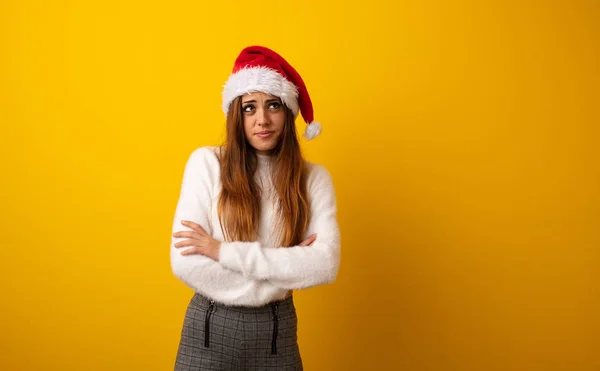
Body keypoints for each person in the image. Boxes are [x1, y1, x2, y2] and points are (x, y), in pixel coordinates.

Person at [170, 45, 341, 371]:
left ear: (288, 111)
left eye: (273, 105)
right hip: (207, 329)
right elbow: (185, 264)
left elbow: (325, 264)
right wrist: (286, 269)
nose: (262, 119)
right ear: (237, 114)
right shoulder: (206, 164)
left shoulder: (313, 179)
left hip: (277, 333)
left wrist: (221, 252)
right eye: (249, 107)